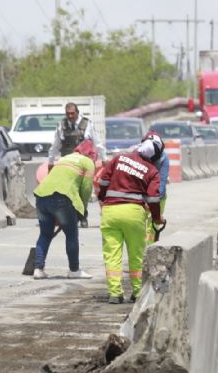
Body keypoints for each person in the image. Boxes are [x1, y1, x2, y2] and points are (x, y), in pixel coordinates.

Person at [97, 137, 164, 304]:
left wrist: (102, 198)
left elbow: (103, 181)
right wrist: (157, 218)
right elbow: (154, 199)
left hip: (110, 212)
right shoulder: (152, 171)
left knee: (112, 254)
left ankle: (115, 293)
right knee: (136, 255)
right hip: (134, 214)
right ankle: (137, 292)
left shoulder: (119, 158)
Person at [32, 140, 97, 280]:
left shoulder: (65, 158)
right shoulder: (87, 162)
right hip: (62, 198)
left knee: (45, 234)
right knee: (71, 234)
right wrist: (83, 210)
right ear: (92, 154)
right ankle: (74, 270)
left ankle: (38, 269)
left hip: (41, 196)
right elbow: (86, 189)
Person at [48, 102, 106, 227]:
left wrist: (104, 159)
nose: (70, 116)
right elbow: (55, 145)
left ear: (77, 113)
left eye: (72, 113)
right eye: (68, 114)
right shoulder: (61, 126)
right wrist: (51, 162)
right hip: (68, 165)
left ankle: (83, 215)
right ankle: (72, 216)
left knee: (84, 191)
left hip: (85, 164)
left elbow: (97, 142)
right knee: (68, 191)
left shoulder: (87, 124)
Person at [142, 130, 169, 245]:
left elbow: (161, 184)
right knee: (140, 227)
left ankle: (147, 252)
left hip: (158, 197)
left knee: (151, 227)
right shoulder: (140, 153)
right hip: (141, 197)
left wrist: (153, 204)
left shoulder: (163, 158)